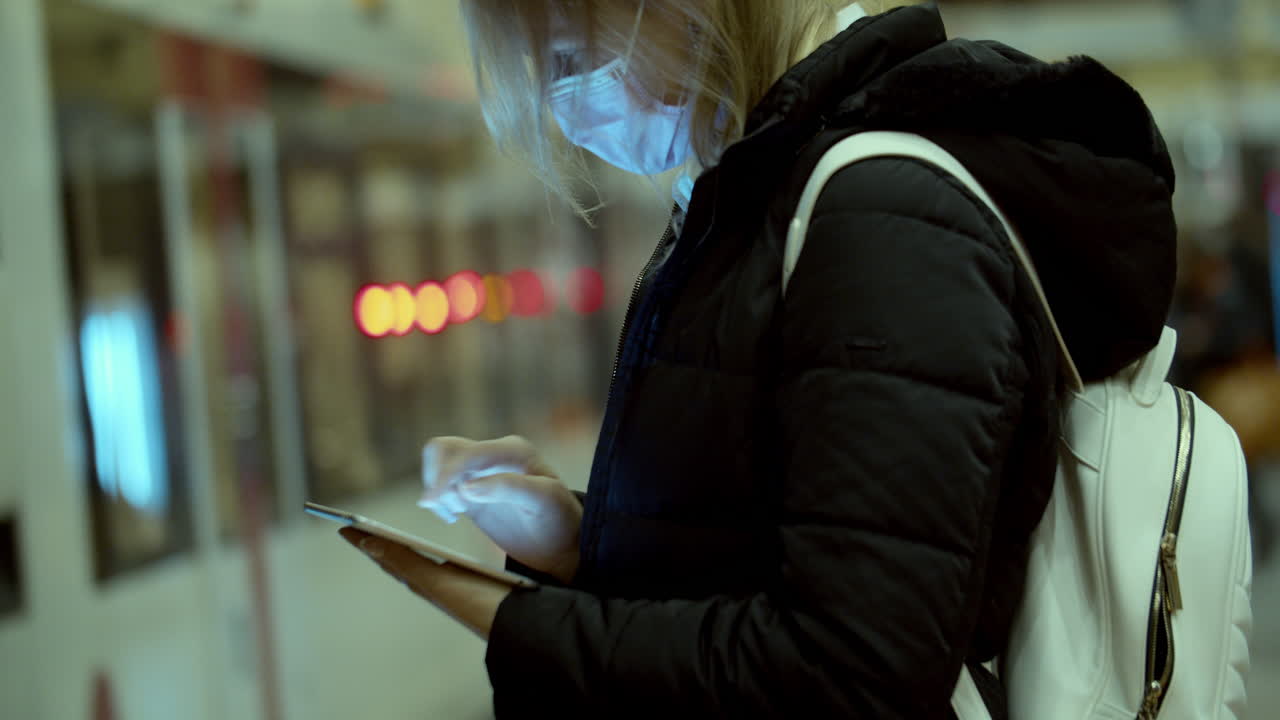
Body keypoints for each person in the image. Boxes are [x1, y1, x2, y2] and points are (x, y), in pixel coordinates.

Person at [338, 1, 1178, 717]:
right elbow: (778, 539)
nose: (565, 101)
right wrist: (576, 542)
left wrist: (508, 619)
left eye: (570, 54)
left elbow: (853, 673)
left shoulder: (878, 215)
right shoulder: (754, 200)